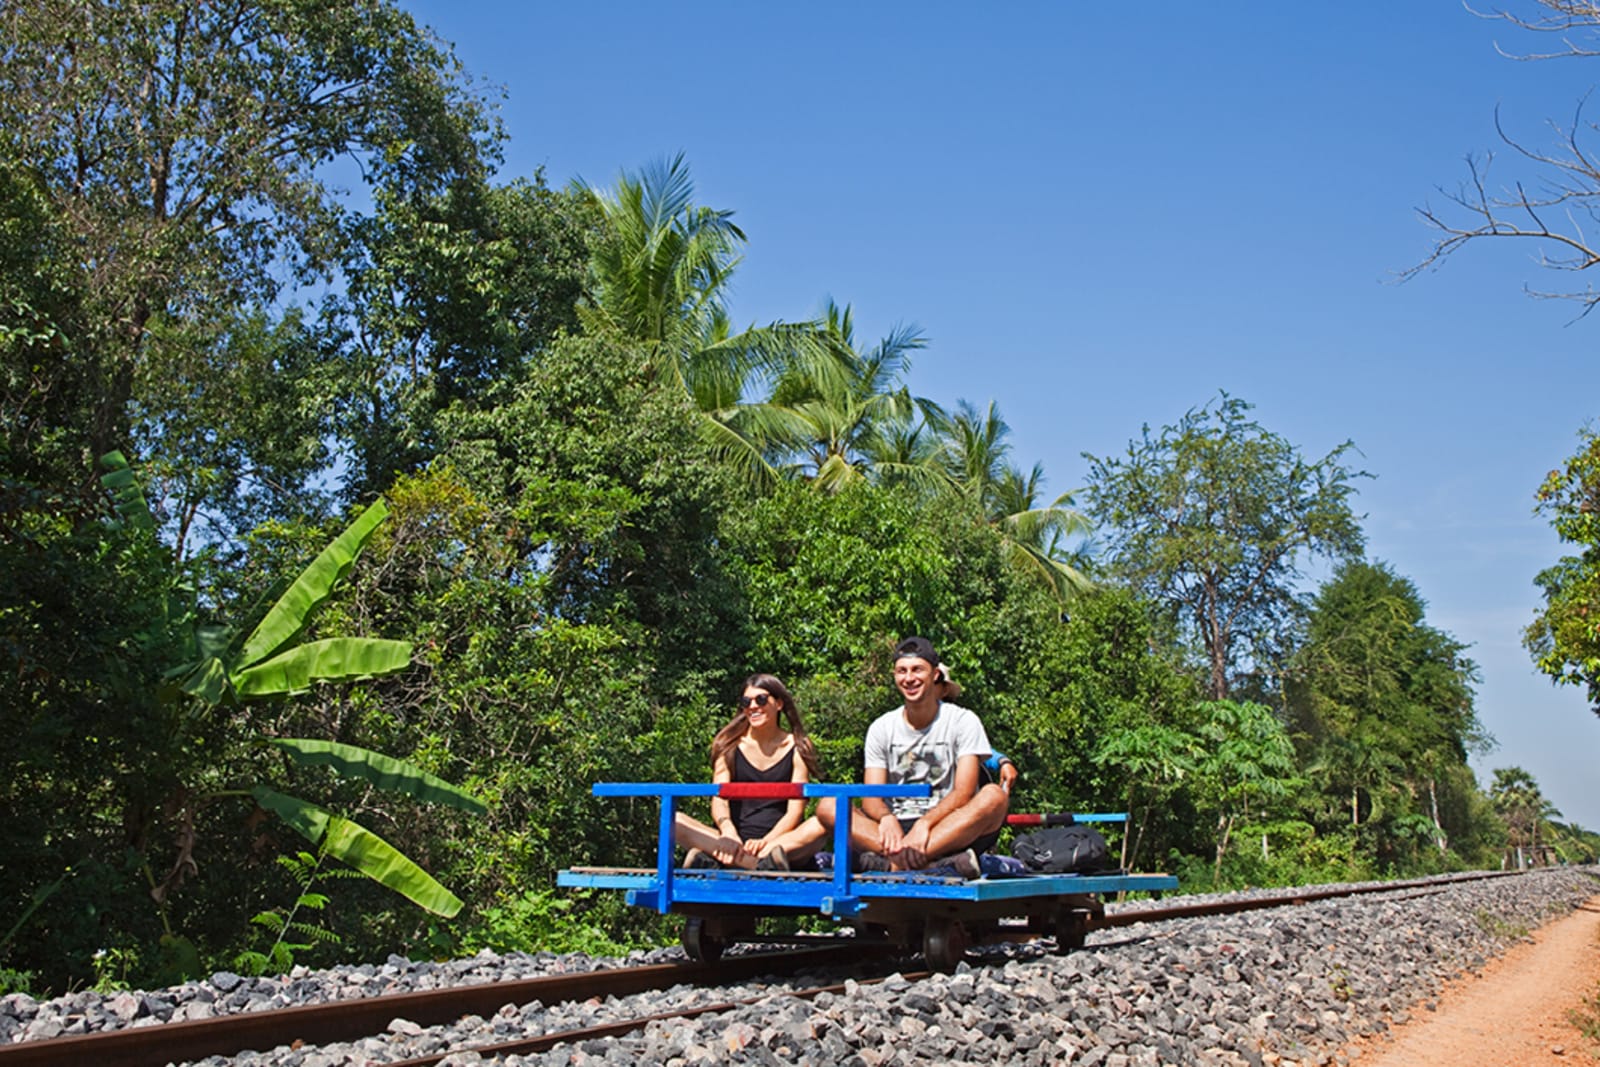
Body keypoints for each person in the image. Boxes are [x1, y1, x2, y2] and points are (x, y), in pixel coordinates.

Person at [816, 636, 1010, 875]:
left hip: (946, 826)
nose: (909, 678)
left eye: (917, 670)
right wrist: (887, 819)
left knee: (994, 796)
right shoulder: (881, 727)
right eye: (902, 671)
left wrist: (925, 823)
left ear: (935, 674)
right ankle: (926, 863)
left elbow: (964, 792)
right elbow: (871, 797)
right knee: (828, 805)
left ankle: (896, 864)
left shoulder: (963, 720)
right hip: (892, 831)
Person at [674, 673, 821, 871]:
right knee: (673, 821)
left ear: (778, 704)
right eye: (746, 702)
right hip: (732, 841)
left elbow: (795, 811)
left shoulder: (797, 747)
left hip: (780, 843)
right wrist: (728, 832)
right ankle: (759, 864)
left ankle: (726, 861)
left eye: (760, 699)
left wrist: (766, 842)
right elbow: (719, 799)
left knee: (823, 823)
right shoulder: (728, 745)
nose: (753, 707)